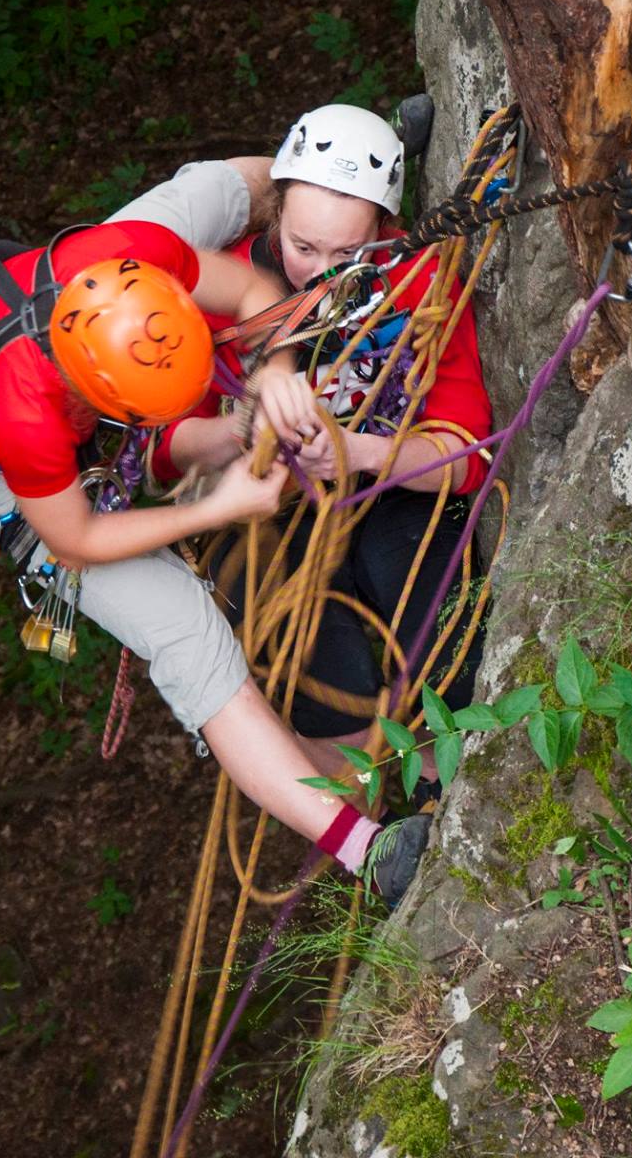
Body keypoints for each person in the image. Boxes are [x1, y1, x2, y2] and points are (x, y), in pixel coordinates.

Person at [0, 213, 433, 905]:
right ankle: (368, 853)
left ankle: (331, 179)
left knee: (221, 185)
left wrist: (270, 380)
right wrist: (217, 509)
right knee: (185, 631)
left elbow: (252, 291)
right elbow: (75, 539)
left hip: (74, 294)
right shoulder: (23, 414)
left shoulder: (136, 248)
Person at [111, 102, 494, 787]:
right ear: (274, 216)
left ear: (383, 227)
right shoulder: (212, 292)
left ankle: (452, 782)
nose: (320, 273)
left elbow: (469, 452)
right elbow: (161, 450)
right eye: (303, 247)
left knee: (443, 643)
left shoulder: (415, 280)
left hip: (385, 484)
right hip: (261, 509)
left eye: (348, 254)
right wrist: (240, 433)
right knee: (320, 678)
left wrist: (364, 453)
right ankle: (380, 807)